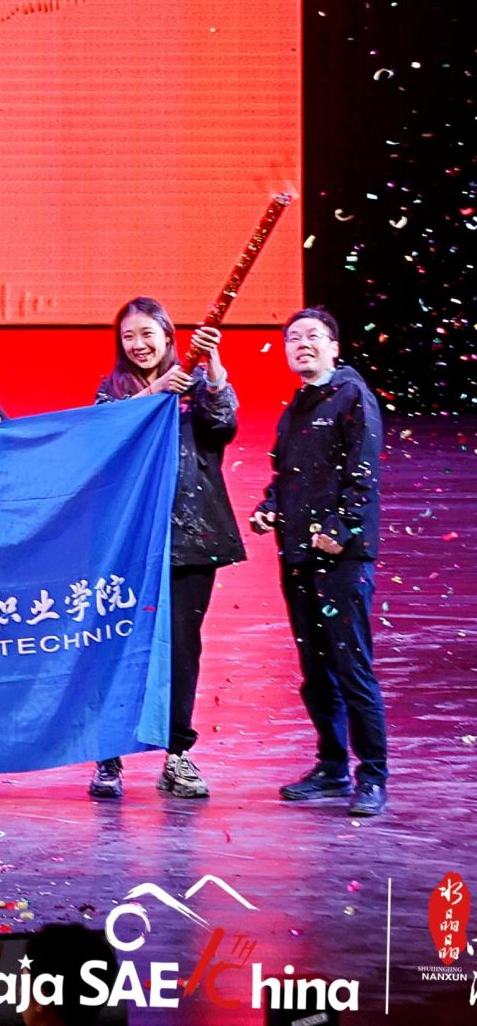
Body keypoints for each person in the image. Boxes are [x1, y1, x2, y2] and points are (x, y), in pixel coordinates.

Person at [87, 297, 243, 800]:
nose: (138, 344)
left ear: (168, 336)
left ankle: (177, 756)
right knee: (116, 644)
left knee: (181, 650)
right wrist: (156, 392)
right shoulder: (113, 391)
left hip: (191, 538)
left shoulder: (198, 385)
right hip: (128, 540)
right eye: (129, 336)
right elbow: (102, 436)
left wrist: (212, 370)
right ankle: (108, 756)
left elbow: (224, 426)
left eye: (147, 334)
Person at [253, 306, 386, 817]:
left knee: (351, 666)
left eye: (312, 336)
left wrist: (341, 529)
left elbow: (363, 473)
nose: (301, 344)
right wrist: (269, 507)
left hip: (341, 559)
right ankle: (332, 767)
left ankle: (372, 775)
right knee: (316, 671)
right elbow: (285, 475)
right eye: (293, 338)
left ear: (334, 347)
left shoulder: (352, 396)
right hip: (298, 555)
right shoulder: (297, 407)